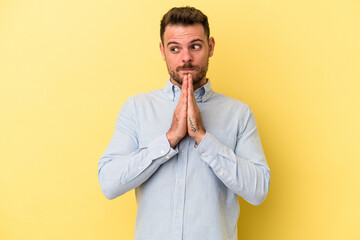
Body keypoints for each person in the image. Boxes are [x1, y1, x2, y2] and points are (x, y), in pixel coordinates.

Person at [98, 6, 270, 240]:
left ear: (210, 47)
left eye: (195, 46)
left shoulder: (239, 113)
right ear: (162, 50)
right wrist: (169, 139)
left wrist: (202, 137)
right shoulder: (137, 108)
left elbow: (258, 190)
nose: (186, 57)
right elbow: (109, 183)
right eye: (175, 48)